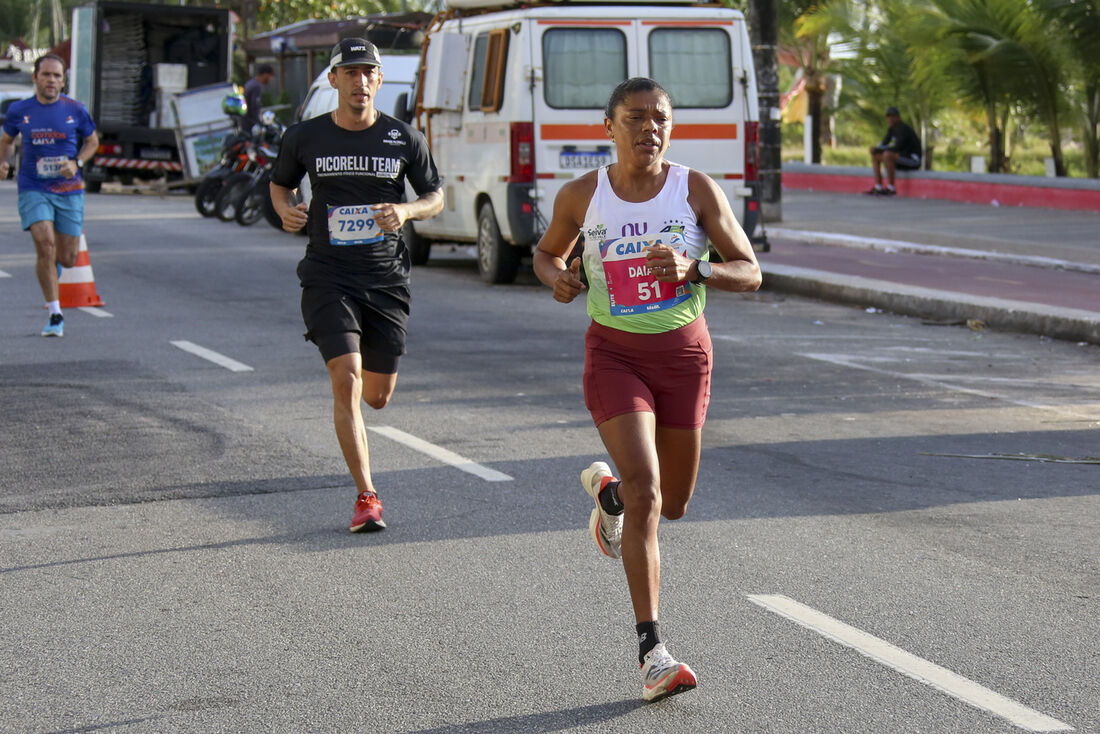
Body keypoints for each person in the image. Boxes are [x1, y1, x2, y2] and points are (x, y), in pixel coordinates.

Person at [532, 77, 762, 702]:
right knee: (649, 492)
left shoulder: (695, 190)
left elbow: (751, 270)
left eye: (659, 117)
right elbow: (546, 255)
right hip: (615, 356)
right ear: (609, 127)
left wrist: (698, 268)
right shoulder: (583, 195)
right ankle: (653, 652)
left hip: (684, 356)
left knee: (674, 503)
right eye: (634, 117)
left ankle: (609, 497)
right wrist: (558, 278)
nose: (648, 128)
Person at [269, 38, 443, 533]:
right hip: (328, 275)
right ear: (334, 80)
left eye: (368, 72)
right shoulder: (305, 136)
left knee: (378, 396)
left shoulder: (403, 138)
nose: (360, 81)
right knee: (346, 377)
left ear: (379, 80)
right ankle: (367, 497)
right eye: (350, 72)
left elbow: (435, 195)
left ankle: (368, 380)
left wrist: (406, 210)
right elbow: (280, 184)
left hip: (385, 278)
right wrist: (285, 209)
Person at [0, 53, 98, 337]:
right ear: (35, 78)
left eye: (57, 76)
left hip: (69, 190)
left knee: (67, 258)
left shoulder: (75, 109)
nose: (51, 80)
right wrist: (3, 161)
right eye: (46, 75)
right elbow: (6, 140)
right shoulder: (20, 110)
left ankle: (53, 268)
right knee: (45, 245)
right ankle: (55, 313)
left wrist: (76, 162)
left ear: (63, 81)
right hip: (33, 187)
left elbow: (92, 142)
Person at [866, 106, 921, 195]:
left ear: (898, 117)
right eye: (888, 117)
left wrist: (879, 149)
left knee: (887, 155)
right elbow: (884, 143)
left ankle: (891, 188)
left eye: (892, 117)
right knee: (876, 156)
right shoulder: (892, 129)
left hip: (912, 159)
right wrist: (876, 149)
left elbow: (897, 147)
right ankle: (878, 186)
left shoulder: (904, 129)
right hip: (900, 158)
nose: (890, 119)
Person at [242, 63, 274, 132]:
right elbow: (255, 107)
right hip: (250, 124)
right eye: (270, 75)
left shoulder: (249, 83)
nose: (271, 79)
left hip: (243, 122)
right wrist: (260, 123)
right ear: (265, 74)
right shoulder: (257, 86)